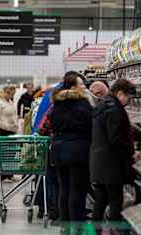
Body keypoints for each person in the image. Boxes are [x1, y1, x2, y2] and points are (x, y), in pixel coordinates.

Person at [90, 79, 137, 233]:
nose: (128, 102)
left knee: (101, 201)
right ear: (120, 93)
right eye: (128, 98)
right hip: (111, 164)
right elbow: (115, 139)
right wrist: (131, 153)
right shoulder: (114, 109)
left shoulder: (102, 105)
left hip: (99, 161)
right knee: (116, 201)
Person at [49, 72, 92, 231]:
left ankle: (65, 224)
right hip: (77, 151)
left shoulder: (57, 104)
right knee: (77, 189)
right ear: (74, 87)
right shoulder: (83, 104)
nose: (84, 87)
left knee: (64, 188)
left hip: (58, 150)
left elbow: (52, 125)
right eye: (81, 84)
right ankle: (77, 225)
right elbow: (90, 126)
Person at [0, 85, 18, 182]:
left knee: (11, 154)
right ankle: (0, 175)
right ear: (5, 92)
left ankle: (9, 174)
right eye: (11, 94)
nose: (12, 96)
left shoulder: (9, 101)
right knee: (2, 154)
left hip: (11, 131)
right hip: (2, 131)